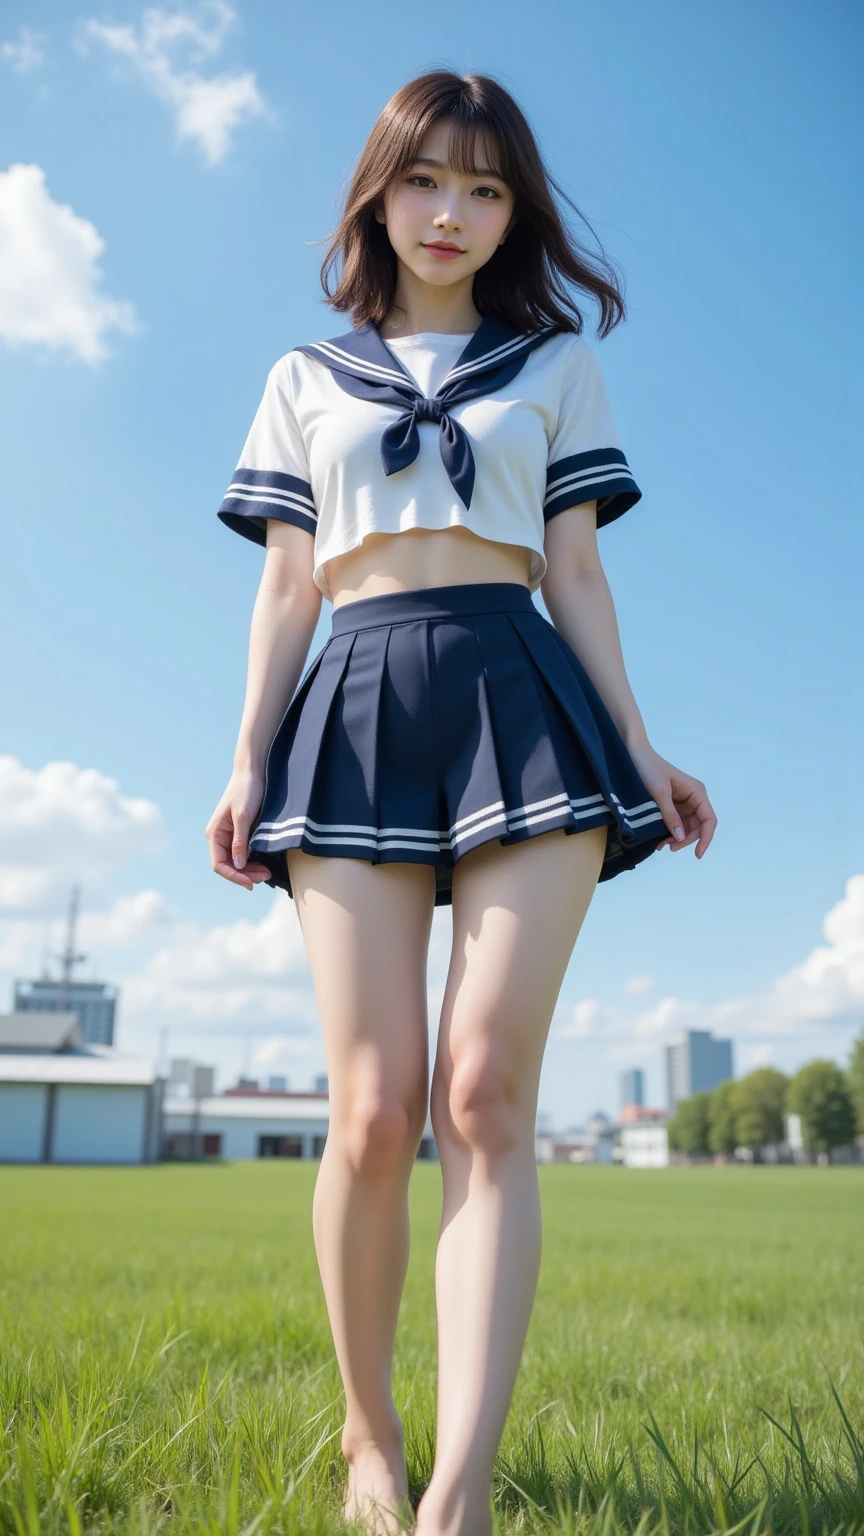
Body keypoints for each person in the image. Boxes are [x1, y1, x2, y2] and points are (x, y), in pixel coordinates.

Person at [205, 68, 717, 1536]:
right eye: (427, 179)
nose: (453, 212)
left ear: (513, 214)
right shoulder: (305, 375)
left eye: (487, 190)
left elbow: (580, 572)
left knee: (483, 1090)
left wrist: (643, 746)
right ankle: (369, 1440)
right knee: (374, 1109)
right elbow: (288, 588)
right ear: (379, 194)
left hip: (519, 695)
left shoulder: (555, 364)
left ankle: (460, 1486)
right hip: (354, 704)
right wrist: (246, 760)